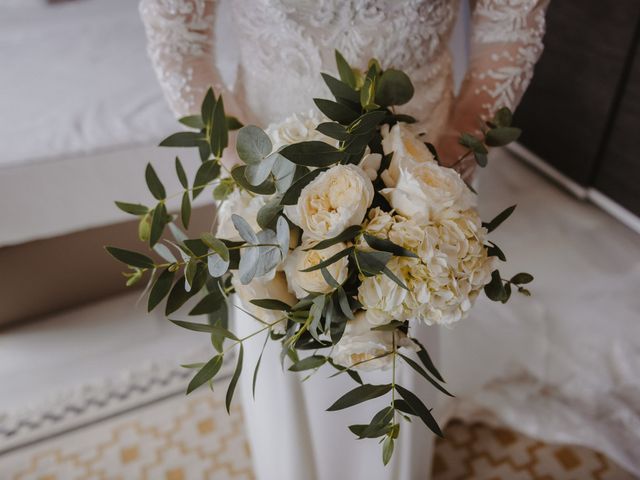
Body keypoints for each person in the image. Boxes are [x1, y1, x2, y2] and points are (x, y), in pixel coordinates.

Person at [140, 1, 550, 478]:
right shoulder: (259, 186)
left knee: (401, 330)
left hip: (420, 182)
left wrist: (439, 169)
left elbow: (510, 27)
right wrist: (252, 181)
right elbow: (179, 41)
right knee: (280, 339)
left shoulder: (425, 191)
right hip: (266, 177)